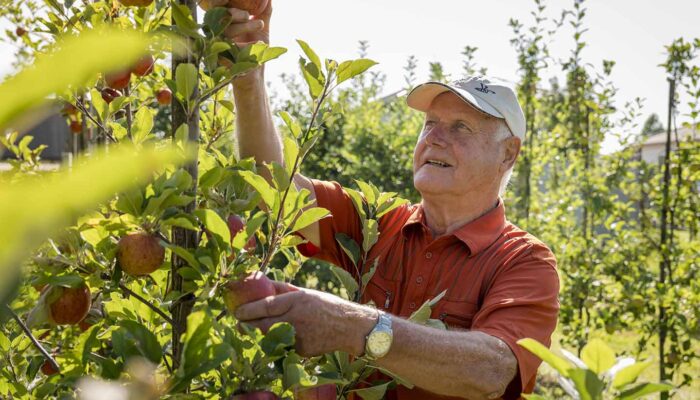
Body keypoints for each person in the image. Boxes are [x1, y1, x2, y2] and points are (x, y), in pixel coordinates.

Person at [200, 1, 560, 399]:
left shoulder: (523, 262)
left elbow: (492, 370)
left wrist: (354, 327)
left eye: (460, 127)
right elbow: (273, 189)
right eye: (431, 124)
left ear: (508, 153)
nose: (435, 138)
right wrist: (249, 79)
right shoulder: (377, 222)